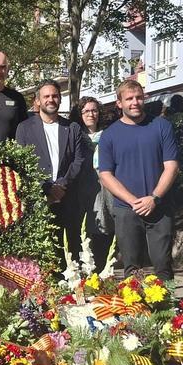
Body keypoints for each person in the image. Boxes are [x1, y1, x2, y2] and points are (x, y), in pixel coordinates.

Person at [98, 80, 180, 280]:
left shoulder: (161, 126)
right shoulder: (109, 135)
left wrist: (154, 198)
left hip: (159, 206)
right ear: (119, 103)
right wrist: (133, 201)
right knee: (132, 269)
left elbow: (172, 167)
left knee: (163, 265)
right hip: (126, 209)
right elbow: (105, 174)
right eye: (129, 99)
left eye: (139, 97)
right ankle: (133, 302)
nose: (135, 102)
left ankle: (166, 300)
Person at [15, 81, 89, 264]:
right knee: (41, 254)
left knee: (69, 252)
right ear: (37, 101)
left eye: (55, 96)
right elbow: (21, 164)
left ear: (60, 99)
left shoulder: (72, 128)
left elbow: (79, 160)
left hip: (67, 198)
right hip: (39, 200)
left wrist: (62, 185)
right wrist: (46, 187)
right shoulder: (24, 128)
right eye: (46, 96)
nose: (51, 99)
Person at [70, 96, 117, 270]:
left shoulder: (109, 135)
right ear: (80, 114)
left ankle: (105, 269)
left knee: (106, 225)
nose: (91, 114)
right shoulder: (75, 136)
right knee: (86, 228)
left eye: (94, 110)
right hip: (83, 187)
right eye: (86, 111)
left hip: (106, 187)